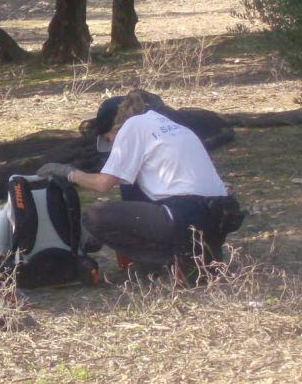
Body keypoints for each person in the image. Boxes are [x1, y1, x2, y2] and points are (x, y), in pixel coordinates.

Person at [37, 90, 240, 284]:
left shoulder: (131, 127)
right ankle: (191, 257)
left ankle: (166, 261)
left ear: (115, 128)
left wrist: (69, 173)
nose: (111, 145)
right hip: (219, 215)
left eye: (108, 139)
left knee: (94, 217)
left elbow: (103, 184)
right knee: (130, 184)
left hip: (185, 214)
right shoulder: (172, 126)